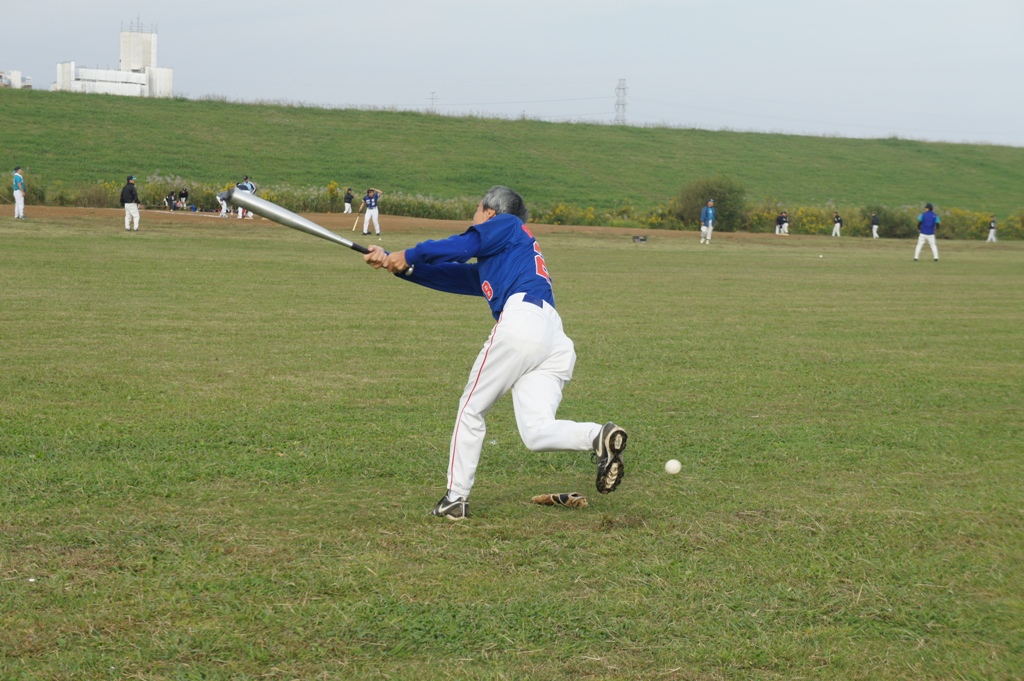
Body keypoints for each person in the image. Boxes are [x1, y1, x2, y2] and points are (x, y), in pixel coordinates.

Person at [362, 185, 627, 519]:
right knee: (536, 431)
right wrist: (402, 267)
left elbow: (462, 245)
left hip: (523, 323)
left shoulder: (508, 224)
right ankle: (598, 435)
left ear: (489, 211)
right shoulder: (505, 256)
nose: (475, 222)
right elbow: (458, 276)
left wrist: (410, 254)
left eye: (477, 214)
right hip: (552, 337)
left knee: (471, 409)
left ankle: (456, 499)